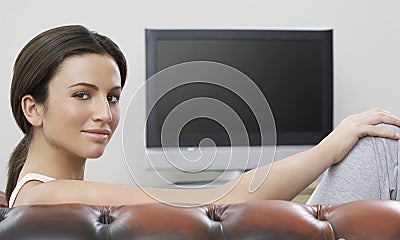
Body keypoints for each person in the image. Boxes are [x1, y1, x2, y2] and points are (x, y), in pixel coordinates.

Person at [5, 25, 400, 208]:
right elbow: (224, 198)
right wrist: (330, 147)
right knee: (378, 149)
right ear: (32, 108)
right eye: (81, 95)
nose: (104, 113)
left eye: (112, 97)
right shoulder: (48, 196)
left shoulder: (41, 193)